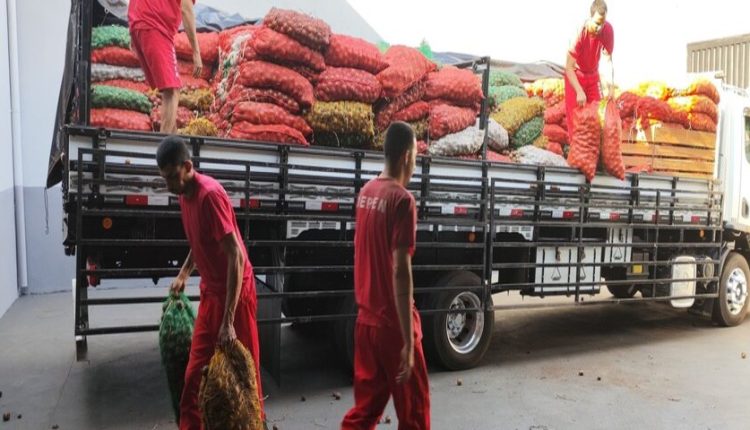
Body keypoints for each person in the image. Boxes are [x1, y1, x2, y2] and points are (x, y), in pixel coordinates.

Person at [156, 136, 263, 430]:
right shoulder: (183, 194)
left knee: (245, 379)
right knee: (192, 378)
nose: (169, 185)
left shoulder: (209, 196)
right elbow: (200, 239)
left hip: (236, 295)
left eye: (172, 177)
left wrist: (228, 320)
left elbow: (236, 258)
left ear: (188, 166)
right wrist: (184, 273)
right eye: (164, 179)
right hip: (211, 294)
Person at [341, 122, 430, 430]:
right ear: (407, 155)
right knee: (414, 415)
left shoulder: (366, 193)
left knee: (364, 412)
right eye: (417, 153)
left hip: (366, 322)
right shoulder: (402, 200)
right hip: (393, 324)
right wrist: (407, 340)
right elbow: (400, 272)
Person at [128, 0, 203, 133]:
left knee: (169, 90)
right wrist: (196, 52)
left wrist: (133, 30)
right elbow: (186, 10)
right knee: (172, 90)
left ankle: (172, 138)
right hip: (154, 24)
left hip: (139, 22)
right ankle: (165, 145)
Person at [565, 0, 615, 134]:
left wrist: (610, 86)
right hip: (576, 76)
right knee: (576, 124)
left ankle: (595, 154)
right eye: (597, 23)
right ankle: (574, 152)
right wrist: (579, 91)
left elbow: (608, 59)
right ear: (590, 17)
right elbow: (568, 68)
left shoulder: (608, 30)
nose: (600, 27)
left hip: (593, 76)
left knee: (597, 119)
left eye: (603, 23)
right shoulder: (580, 32)